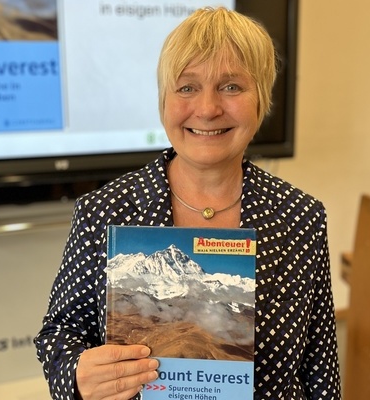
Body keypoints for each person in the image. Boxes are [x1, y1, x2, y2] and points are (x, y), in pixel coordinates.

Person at [34, 7, 341, 399]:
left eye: (232, 87)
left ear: (261, 99)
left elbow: (320, 365)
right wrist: (77, 376)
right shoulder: (104, 211)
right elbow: (58, 334)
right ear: (164, 100)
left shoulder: (300, 217)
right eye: (187, 87)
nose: (208, 108)